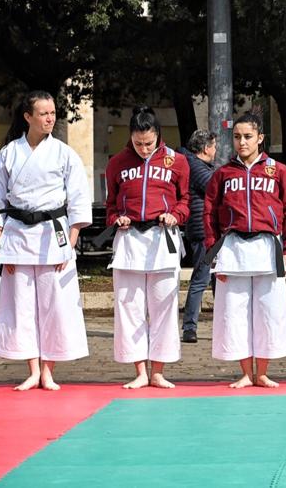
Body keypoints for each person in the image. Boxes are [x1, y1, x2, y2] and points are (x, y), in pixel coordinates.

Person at [0, 90, 91, 391]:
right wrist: (1, 241)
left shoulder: (64, 153)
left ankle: (49, 370)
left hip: (53, 234)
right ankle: (31, 369)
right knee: (21, 304)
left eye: (53, 113)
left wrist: (73, 238)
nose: (50, 118)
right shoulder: (9, 153)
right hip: (17, 235)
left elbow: (79, 198)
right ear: (28, 117)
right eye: (43, 113)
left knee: (55, 303)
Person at [203, 112, 286, 388]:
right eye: (237, 137)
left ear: (260, 138)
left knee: (268, 310)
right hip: (232, 247)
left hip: (267, 246)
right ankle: (246, 372)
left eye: (248, 137)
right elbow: (209, 213)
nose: (242, 142)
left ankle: (262, 372)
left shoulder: (278, 171)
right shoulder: (223, 174)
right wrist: (213, 255)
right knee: (234, 311)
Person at [104, 106, 190, 388]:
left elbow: (185, 201)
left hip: (162, 237)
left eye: (149, 143)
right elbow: (111, 205)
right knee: (129, 307)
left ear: (158, 137)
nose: (143, 149)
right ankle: (139, 370)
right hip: (130, 241)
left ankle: (158, 371)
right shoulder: (117, 163)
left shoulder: (176, 162)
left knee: (164, 306)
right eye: (138, 143)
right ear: (130, 137)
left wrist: (174, 215)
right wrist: (118, 218)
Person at [179, 129, 218, 343]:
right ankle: (189, 327)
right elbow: (217, 188)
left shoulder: (194, 164)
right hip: (203, 230)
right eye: (214, 146)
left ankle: (223, 322)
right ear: (205, 148)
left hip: (205, 229)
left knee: (217, 278)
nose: (215, 150)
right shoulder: (196, 167)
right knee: (201, 278)